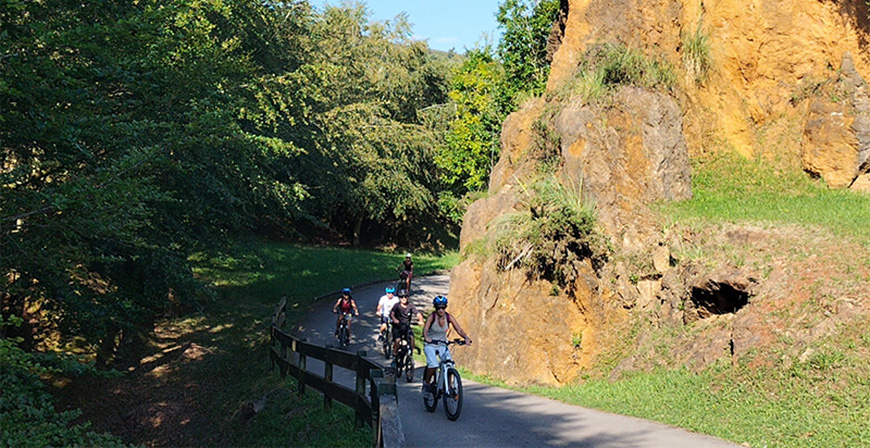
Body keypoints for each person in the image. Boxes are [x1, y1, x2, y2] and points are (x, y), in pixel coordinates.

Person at [421, 295, 472, 395]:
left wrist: (466, 338)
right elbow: (425, 329)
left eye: (443, 307)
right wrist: (426, 337)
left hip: (442, 344)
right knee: (433, 364)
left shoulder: (449, 317)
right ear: (435, 308)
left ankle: (448, 387)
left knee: (449, 364)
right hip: (430, 344)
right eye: (438, 308)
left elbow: (459, 329)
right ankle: (427, 384)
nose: (441, 310)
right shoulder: (432, 317)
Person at [390, 289, 424, 362]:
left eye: (405, 297)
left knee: (411, 338)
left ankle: (410, 354)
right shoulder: (396, 306)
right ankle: (394, 353)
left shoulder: (410, 306)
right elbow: (392, 314)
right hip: (397, 327)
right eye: (402, 297)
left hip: (406, 326)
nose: (404, 299)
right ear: (399, 298)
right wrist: (395, 319)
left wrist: (420, 320)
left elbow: (418, 314)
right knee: (397, 340)